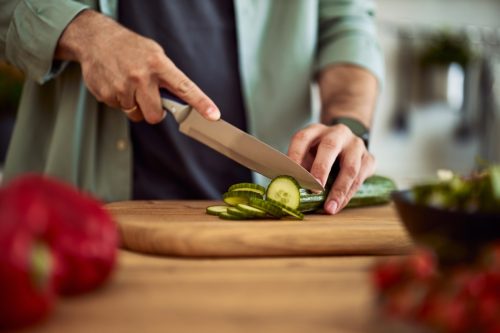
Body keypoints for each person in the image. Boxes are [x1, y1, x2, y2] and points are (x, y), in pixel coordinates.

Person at [0, 0, 383, 215]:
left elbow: (347, 27)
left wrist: (348, 122)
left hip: (268, 231)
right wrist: (83, 33)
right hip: (74, 205)